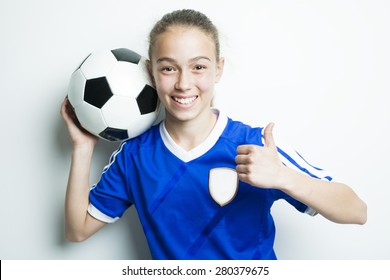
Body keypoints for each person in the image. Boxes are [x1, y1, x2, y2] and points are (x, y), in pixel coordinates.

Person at [60, 9, 367, 260]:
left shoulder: (255, 145)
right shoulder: (135, 156)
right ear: (151, 71)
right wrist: (82, 147)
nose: (184, 83)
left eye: (199, 67)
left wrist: (282, 177)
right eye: (169, 69)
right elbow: (77, 230)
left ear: (218, 69)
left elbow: (356, 211)